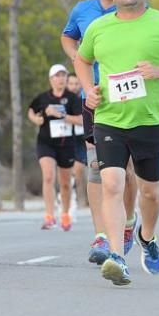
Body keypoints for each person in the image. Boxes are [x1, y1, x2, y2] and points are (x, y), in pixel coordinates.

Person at [75, 0, 159, 286]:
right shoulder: (98, 28)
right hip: (109, 120)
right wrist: (89, 89)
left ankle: (147, 237)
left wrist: (157, 71)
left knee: (150, 192)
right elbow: (82, 59)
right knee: (112, 184)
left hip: (150, 120)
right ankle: (117, 257)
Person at [60, 0, 140, 266]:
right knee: (97, 168)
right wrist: (77, 58)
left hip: (131, 101)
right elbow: (67, 37)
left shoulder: (137, 13)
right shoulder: (83, 11)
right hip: (96, 100)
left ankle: (129, 220)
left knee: (128, 172)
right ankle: (102, 235)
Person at [28, 64, 84, 231]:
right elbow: (31, 110)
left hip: (66, 144)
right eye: (57, 76)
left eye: (63, 76)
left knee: (65, 183)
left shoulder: (72, 99)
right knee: (48, 176)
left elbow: (81, 120)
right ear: (51, 79)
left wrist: (63, 116)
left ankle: (65, 214)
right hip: (46, 142)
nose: (61, 79)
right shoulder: (44, 98)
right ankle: (49, 216)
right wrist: (36, 119)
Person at [66, 73, 89, 212]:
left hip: (82, 139)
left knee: (78, 171)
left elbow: (82, 120)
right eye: (71, 84)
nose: (74, 87)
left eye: (76, 84)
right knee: (69, 171)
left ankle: (75, 197)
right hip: (66, 138)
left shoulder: (84, 99)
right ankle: (68, 198)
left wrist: (65, 117)